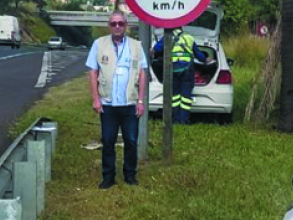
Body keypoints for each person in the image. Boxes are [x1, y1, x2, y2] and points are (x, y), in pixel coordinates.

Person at [87, 11, 148, 189]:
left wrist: (141, 101)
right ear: (109, 26)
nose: (117, 27)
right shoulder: (99, 44)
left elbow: (143, 73)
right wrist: (95, 99)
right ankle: (108, 177)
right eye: (113, 24)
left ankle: (130, 175)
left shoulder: (136, 46)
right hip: (108, 104)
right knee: (108, 140)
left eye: (120, 23)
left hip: (130, 104)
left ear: (126, 25)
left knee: (130, 141)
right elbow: (93, 72)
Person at [152, 27, 207, 124]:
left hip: (173, 70)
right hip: (187, 70)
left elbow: (155, 49)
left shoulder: (167, 37)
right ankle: (184, 120)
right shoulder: (189, 38)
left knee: (175, 96)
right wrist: (207, 60)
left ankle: (175, 120)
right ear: (181, 28)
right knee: (185, 96)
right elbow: (199, 55)